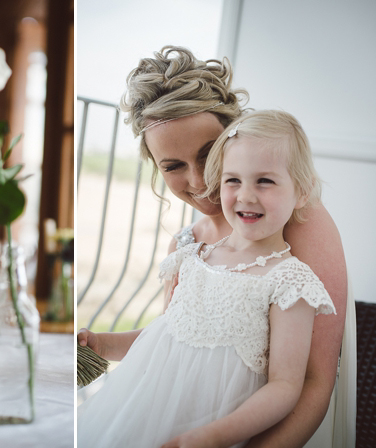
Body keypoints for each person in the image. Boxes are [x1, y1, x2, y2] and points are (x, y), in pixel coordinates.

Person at [78, 47, 353, 447]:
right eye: (172, 166)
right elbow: (174, 341)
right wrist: (102, 344)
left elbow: (311, 384)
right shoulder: (187, 246)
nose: (199, 179)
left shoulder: (299, 222)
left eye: (209, 155)